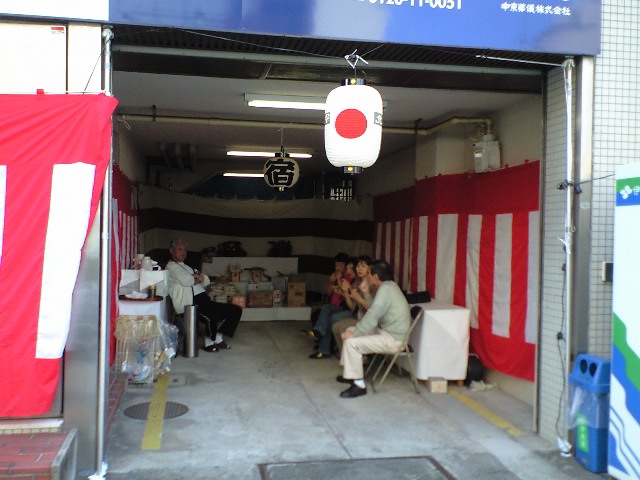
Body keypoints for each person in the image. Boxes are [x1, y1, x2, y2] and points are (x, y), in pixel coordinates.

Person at [337, 259, 410, 398]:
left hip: (394, 339)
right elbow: (375, 309)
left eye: (370, 273)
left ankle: (359, 385)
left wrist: (357, 333)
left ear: (376, 276)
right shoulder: (389, 286)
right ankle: (350, 374)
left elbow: (373, 315)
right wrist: (366, 293)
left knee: (352, 341)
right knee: (350, 330)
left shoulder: (386, 289)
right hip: (387, 333)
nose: (368, 276)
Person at [166, 239, 242, 353]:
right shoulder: (171, 266)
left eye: (185, 249)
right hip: (190, 303)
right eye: (179, 249)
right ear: (172, 251)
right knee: (212, 316)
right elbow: (187, 281)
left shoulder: (188, 266)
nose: (183, 252)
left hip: (204, 299)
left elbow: (206, 280)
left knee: (235, 310)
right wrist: (197, 278)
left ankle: (218, 337)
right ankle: (209, 342)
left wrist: (196, 277)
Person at [303, 252, 353, 359]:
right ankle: (319, 336)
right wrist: (331, 283)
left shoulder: (348, 277)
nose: (337, 267)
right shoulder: (335, 275)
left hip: (343, 308)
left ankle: (323, 347)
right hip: (333, 306)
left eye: (340, 265)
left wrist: (338, 280)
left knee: (330, 316)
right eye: (336, 265)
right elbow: (327, 291)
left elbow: (346, 294)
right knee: (317, 313)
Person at [332, 255, 375, 353]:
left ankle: (357, 356)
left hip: (368, 321)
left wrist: (355, 295)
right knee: (335, 326)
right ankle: (344, 355)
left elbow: (373, 309)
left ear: (370, 268)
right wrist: (345, 291)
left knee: (341, 326)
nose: (359, 269)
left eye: (363, 266)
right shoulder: (357, 281)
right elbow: (352, 307)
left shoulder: (373, 285)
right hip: (359, 316)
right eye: (358, 266)